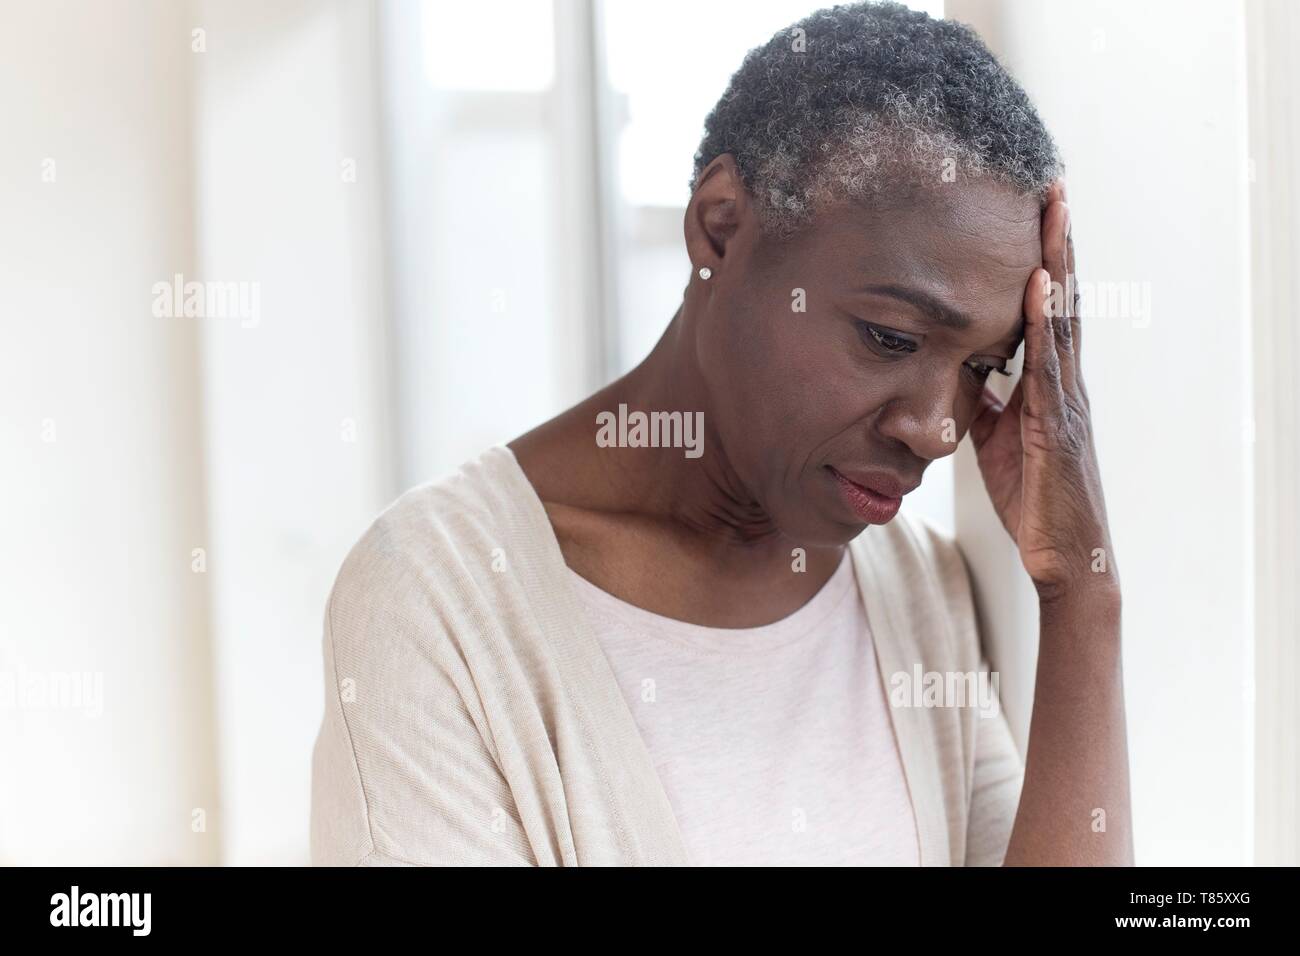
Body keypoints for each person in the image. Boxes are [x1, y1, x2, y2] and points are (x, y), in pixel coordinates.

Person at [310, 0, 1131, 866]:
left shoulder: (918, 593)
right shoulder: (438, 604)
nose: (937, 430)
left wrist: (1082, 595)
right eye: (891, 337)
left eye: (983, 368)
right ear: (721, 225)